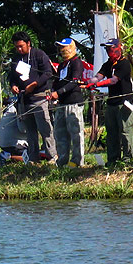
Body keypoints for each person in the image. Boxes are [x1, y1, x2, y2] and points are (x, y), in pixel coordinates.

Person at [84, 38, 133, 165]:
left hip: (124, 102)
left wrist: (98, 84)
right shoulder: (108, 64)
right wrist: (89, 82)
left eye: (111, 48)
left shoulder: (124, 63)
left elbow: (113, 80)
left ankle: (127, 159)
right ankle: (113, 159)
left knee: (125, 131)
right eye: (107, 49)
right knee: (111, 132)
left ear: (118, 49)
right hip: (112, 102)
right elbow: (98, 76)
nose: (108, 51)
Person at [8, 31, 57, 163]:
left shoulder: (39, 54)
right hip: (24, 99)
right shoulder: (16, 59)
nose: (19, 49)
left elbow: (48, 73)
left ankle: (52, 156)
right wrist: (13, 85)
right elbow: (12, 77)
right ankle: (33, 158)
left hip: (40, 97)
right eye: (16, 47)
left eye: (21, 46)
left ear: (28, 43)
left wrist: (35, 84)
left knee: (45, 129)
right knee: (30, 131)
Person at [50, 37, 85, 167]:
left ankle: (77, 161)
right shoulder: (62, 65)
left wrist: (58, 92)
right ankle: (62, 160)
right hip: (61, 104)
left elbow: (74, 81)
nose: (62, 50)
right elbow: (57, 81)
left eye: (64, 47)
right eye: (60, 47)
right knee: (60, 134)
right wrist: (53, 91)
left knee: (76, 134)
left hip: (73, 103)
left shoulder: (77, 62)